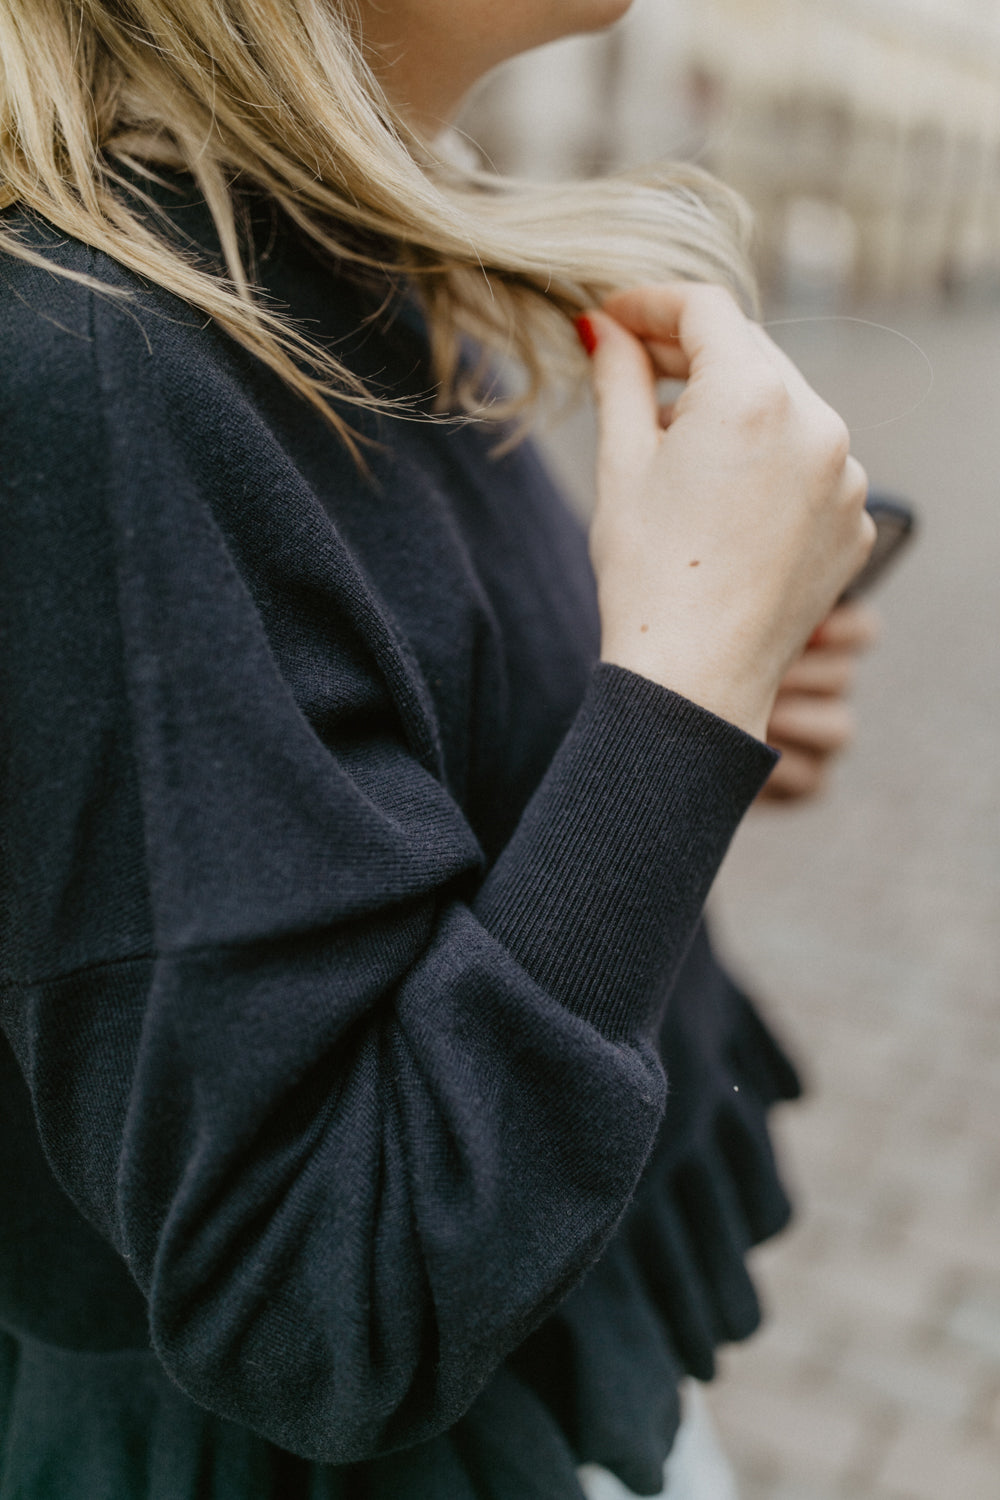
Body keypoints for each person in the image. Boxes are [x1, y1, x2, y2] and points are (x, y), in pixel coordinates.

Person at [0, 1, 877, 1496]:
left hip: (555, 1386)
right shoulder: (99, 373)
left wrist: (662, 719)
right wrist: (686, 690)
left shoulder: (341, 251)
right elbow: (324, 1303)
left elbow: (357, 817)